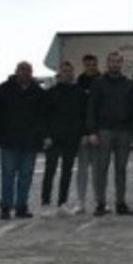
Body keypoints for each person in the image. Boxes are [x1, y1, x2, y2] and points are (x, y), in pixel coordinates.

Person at [0, 61, 49, 220]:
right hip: (8, 140)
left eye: (28, 70)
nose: (25, 73)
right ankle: (6, 207)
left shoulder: (38, 92)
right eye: (21, 70)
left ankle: (22, 206)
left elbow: (43, 118)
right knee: (7, 175)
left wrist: (43, 137)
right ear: (16, 72)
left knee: (26, 175)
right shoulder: (3, 90)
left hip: (30, 141)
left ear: (31, 72)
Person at [86, 52, 133, 215]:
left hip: (124, 131)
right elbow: (91, 108)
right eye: (112, 61)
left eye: (118, 61)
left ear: (122, 63)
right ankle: (100, 203)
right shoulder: (98, 83)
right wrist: (92, 131)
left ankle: (120, 203)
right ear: (107, 63)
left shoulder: (129, 84)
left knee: (121, 169)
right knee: (102, 168)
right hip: (104, 131)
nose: (115, 64)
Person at [43, 61, 86, 215]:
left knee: (67, 171)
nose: (67, 74)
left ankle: (62, 202)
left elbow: (83, 115)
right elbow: (44, 116)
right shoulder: (50, 93)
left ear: (73, 73)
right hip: (53, 138)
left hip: (72, 138)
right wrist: (46, 135)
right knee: (50, 170)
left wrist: (82, 133)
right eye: (64, 71)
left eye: (69, 71)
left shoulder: (79, 93)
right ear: (59, 73)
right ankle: (46, 203)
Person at [73, 53, 102, 215]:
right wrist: (84, 133)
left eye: (93, 64)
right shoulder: (79, 83)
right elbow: (78, 111)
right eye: (87, 65)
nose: (90, 67)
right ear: (84, 65)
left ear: (97, 64)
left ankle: (99, 200)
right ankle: (81, 202)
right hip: (84, 134)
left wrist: (97, 132)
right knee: (82, 169)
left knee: (99, 169)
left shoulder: (102, 81)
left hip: (99, 133)